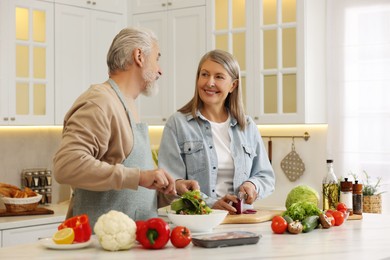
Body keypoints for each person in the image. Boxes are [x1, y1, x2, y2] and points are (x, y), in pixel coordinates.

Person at [53, 27, 177, 228]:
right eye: (157, 58)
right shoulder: (100, 102)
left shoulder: (126, 104)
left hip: (133, 243)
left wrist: (171, 189)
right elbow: (66, 166)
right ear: (139, 56)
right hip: (99, 246)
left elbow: (128, 189)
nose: (160, 70)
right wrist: (138, 176)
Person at [158, 49, 275, 213]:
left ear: (233, 85)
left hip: (241, 221)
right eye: (204, 74)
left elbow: (266, 176)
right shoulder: (178, 124)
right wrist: (209, 203)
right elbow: (171, 184)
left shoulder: (247, 127)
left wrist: (252, 185)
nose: (209, 82)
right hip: (197, 221)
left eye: (219, 77)